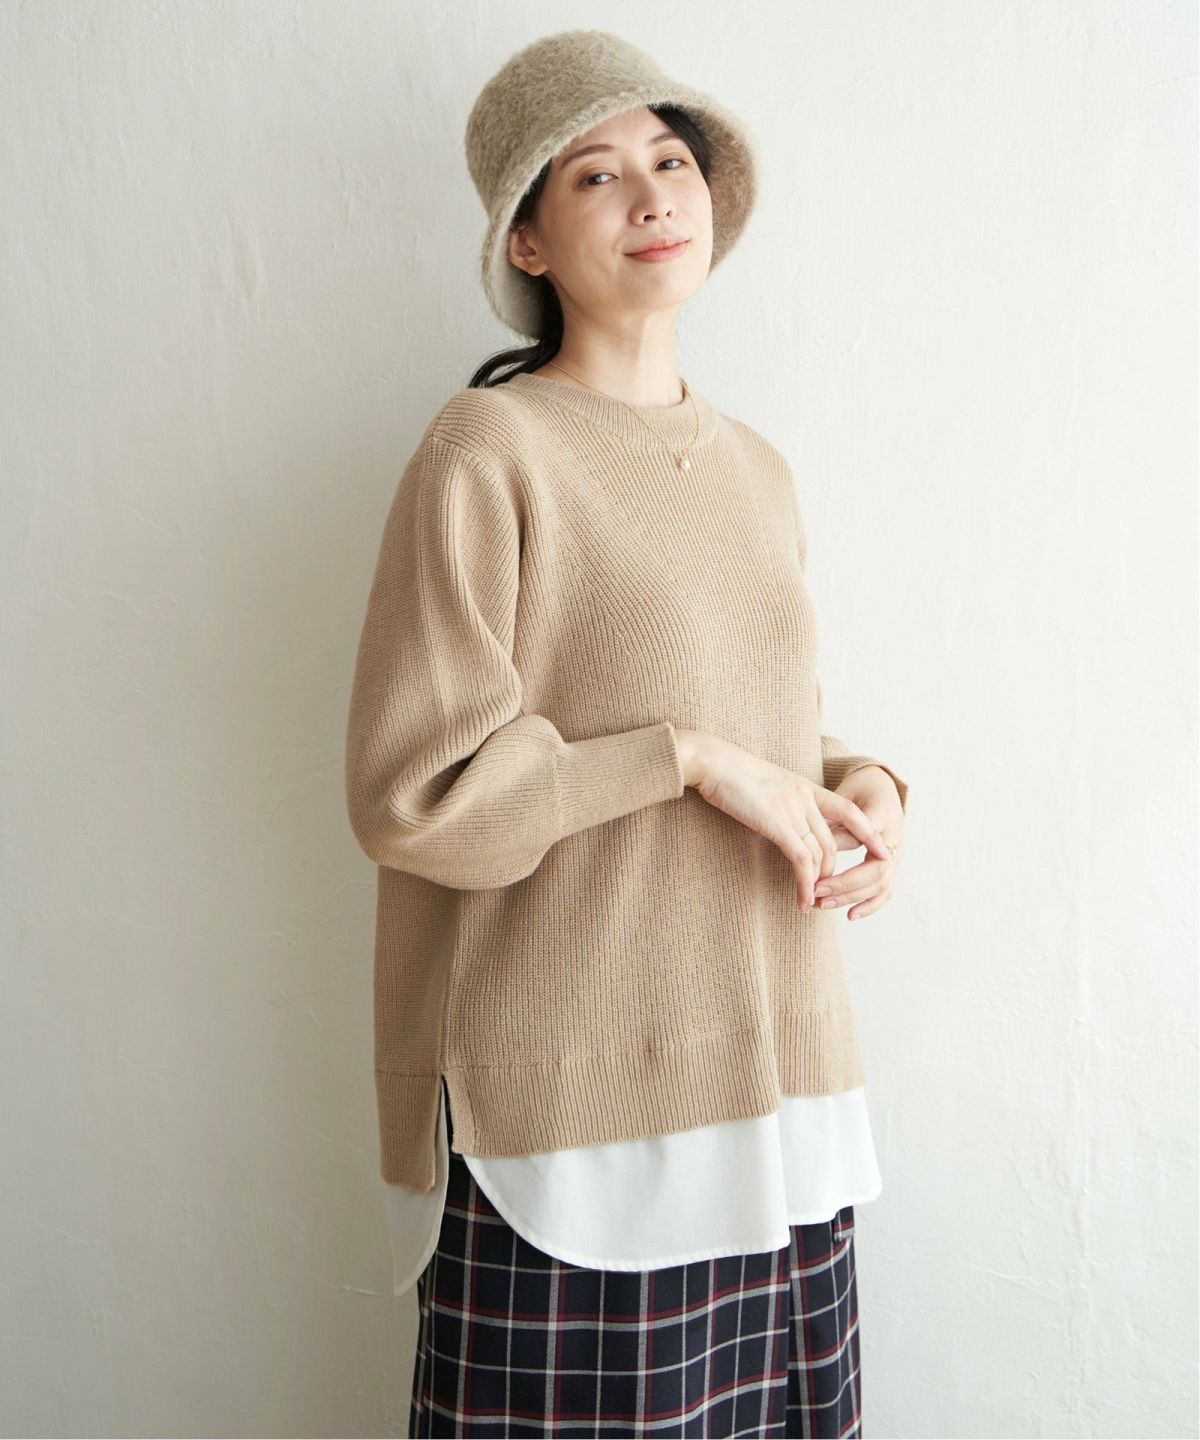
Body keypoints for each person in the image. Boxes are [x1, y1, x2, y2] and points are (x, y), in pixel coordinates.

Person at [343, 28, 911, 1439]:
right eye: (595, 174)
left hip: (775, 1086)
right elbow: (414, 797)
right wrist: (684, 761)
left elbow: (769, 722)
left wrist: (862, 787)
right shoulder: (489, 452)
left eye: (672, 159)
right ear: (527, 240)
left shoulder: (757, 467)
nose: (654, 194)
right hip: (580, 1110)